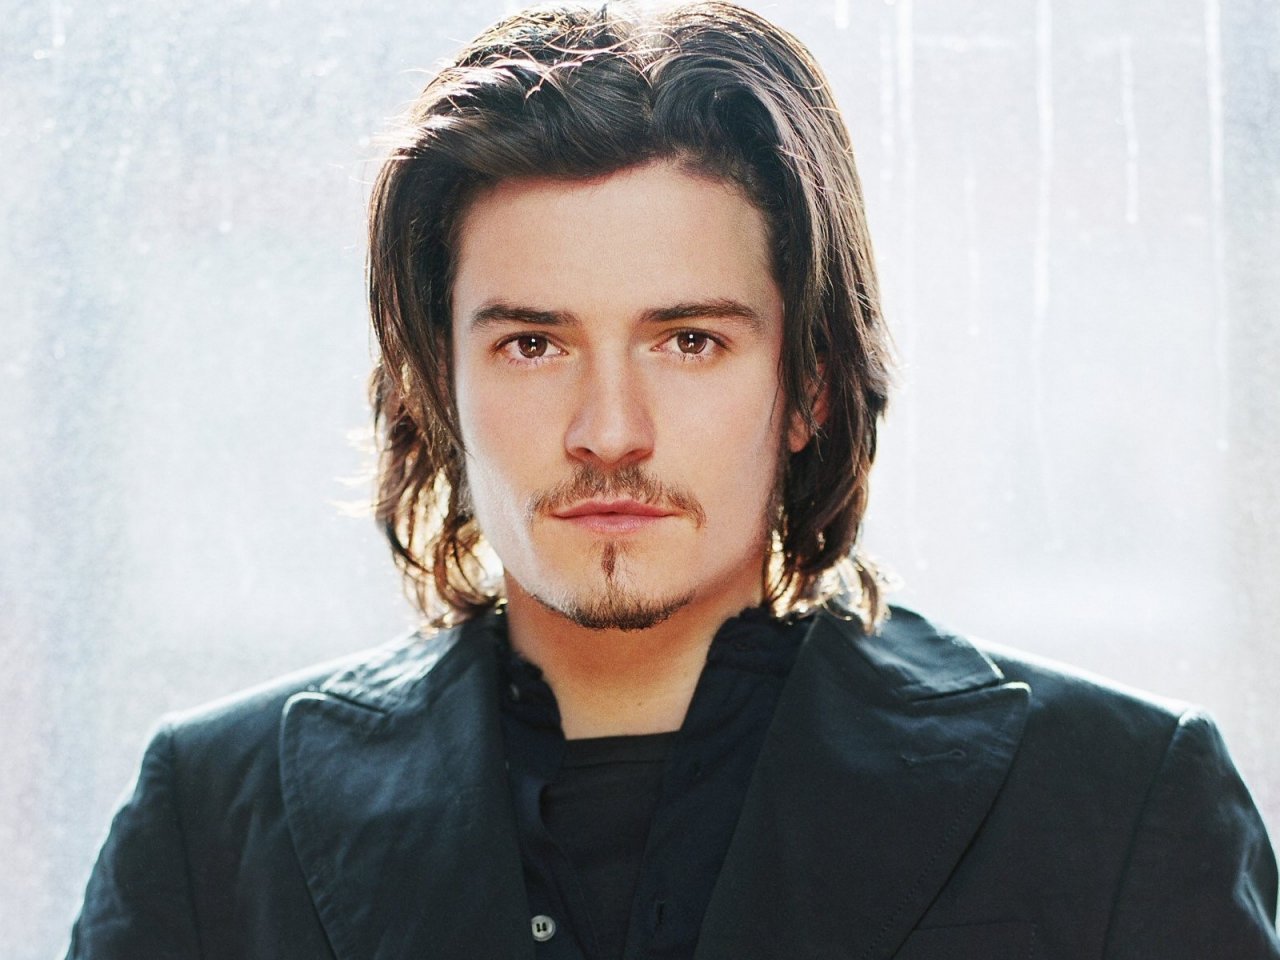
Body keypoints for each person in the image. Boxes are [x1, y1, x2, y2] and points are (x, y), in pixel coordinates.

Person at [67, 3, 1280, 958]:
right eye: (531, 344)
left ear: (808, 384)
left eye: (688, 341)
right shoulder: (207, 824)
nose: (610, 431)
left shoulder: (1117, 802)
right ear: (438, 385)